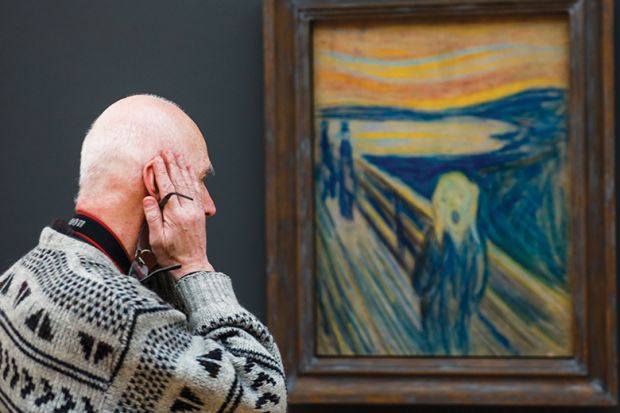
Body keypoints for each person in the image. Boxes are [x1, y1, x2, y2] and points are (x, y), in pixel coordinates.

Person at [0, 95, 287, 412]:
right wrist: (194, 266)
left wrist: (160, 265)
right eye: (200, 180)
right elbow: (262, 399)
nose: (208, 205)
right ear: (157, 182)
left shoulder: (23, 275)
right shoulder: (116, 310)